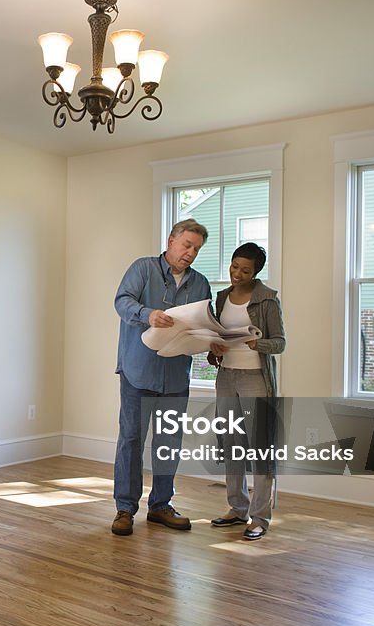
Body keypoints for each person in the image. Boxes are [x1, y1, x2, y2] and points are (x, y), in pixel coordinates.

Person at [111, 219, 212, 536]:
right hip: (137, 373)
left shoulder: (200, 284)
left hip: (175, 377)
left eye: (196, 248)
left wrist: (212, 339)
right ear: (171, 240)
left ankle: (160, 506)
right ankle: (125, 509)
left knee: (168, 444)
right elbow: (122, 301)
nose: (190, 253)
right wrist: (147, 314)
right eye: (187, 245)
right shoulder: (142, 269)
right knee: (131, 441)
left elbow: (204, 324)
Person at [209, 242, 286, 541]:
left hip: (255, 378)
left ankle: (260, 518)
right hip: (226, 376)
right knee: (231, 444)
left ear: (256, 272)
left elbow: (280, 342)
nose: (237, 274)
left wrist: (258, 344)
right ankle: (237, 508)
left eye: (245, 270)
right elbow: (217, 335)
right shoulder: (221, 298)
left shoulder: (267, 300)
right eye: (234, 266)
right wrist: (214, 350)